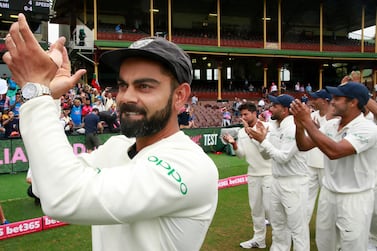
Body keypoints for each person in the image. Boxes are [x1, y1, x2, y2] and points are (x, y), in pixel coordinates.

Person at [3, 14, 218, 251]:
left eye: (144, 86)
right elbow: (46, 183)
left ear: (180, 96)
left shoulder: (192, 166)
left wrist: (36, 91)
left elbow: (62, 196)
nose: (126, 97)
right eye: (123, 85)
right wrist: (52, 97)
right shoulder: (116, 146)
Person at [290, 82, 377, 250]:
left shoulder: (368, 129)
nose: (332, 101)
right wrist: (299, 127)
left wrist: (307, 122)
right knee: (325, 245)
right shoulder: (330, 125)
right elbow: (304, 146)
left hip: (355, 197)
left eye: (338, 98)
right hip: (328, 194)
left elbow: (334, 152)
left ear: (353, 102)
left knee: (353, 246)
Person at [247, 94, 310, 251]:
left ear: (285, 110)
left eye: (275, 106)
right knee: (278, 224)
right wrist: (258, 139)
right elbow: (267, 155)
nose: (270, 108)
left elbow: (283, 157)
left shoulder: (295, 127)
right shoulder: (273, 126)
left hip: (294, 181)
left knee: (298, 228)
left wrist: (262, 141)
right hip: (276, 180)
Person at [222, 102, 272, 249]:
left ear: (254, 113)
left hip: (269, 173)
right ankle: (259, 240)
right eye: (241, 115)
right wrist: (234, 145)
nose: (243, 117)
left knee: (270, 209)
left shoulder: (266, 127)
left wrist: (252, 134)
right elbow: (241, 155)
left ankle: (280, 239)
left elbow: (267, 153)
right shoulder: (242, 132)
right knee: (256, 209)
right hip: (253, 174)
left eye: (246, 114)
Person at [306, 89, 335, 224]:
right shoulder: (312, 115)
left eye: (316, 99)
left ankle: (330, 228)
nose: (312, 101)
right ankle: (301, 228)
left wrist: (318, 130)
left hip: (327, 165)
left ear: (325, 101)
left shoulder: (336, 117)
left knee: (328, 200)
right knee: (306, 198)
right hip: (310, 163)